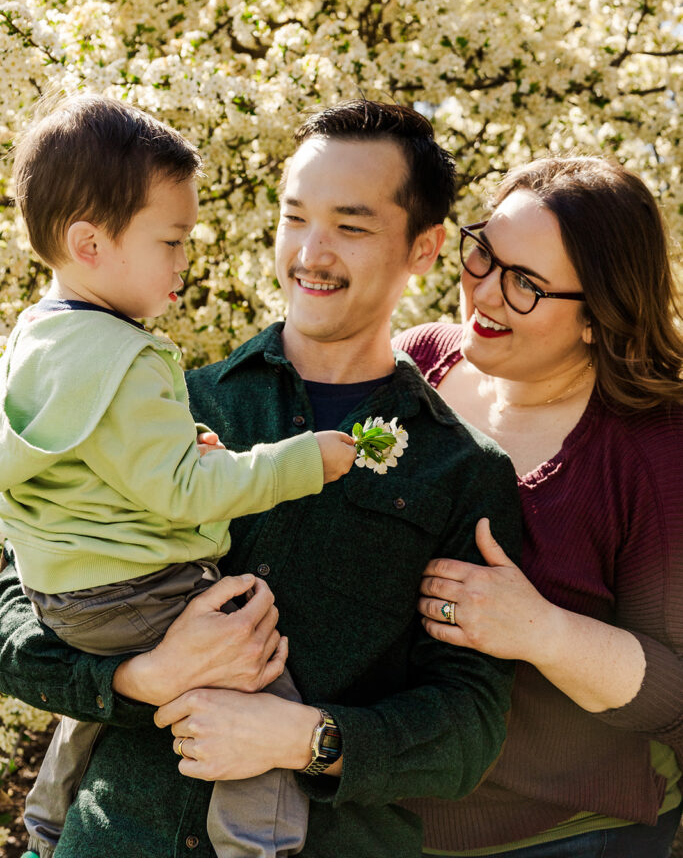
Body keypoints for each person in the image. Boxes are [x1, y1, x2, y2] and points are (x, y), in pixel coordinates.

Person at [0, 99, 522, 858]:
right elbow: (17, 606)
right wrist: (134, 679)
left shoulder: (461, 471)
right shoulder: (169, 398)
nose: (310, 252)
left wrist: (308, 738)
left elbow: (468, 729)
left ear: (424, 249)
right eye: (293, 217)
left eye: (349, 226)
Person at [0, 94, 358, 858]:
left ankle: (46, 828)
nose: (184, 263)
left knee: (105, 695)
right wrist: (302, 461)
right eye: (171, 240)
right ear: (90, 244)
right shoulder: (127, 358)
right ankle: (258, 847)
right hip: (138, 589)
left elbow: (96, 462)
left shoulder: (41, 338)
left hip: (68, 597)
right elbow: (181, 493)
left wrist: (175, 442)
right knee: (257, 688)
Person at [392, 157, 683, 858]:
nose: (484, 294)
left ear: (596, 317)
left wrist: (541, 631)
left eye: (524, 284)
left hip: (563, 831)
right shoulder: (413, 366)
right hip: (382, 814)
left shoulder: (650, 449)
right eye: (483, 255)